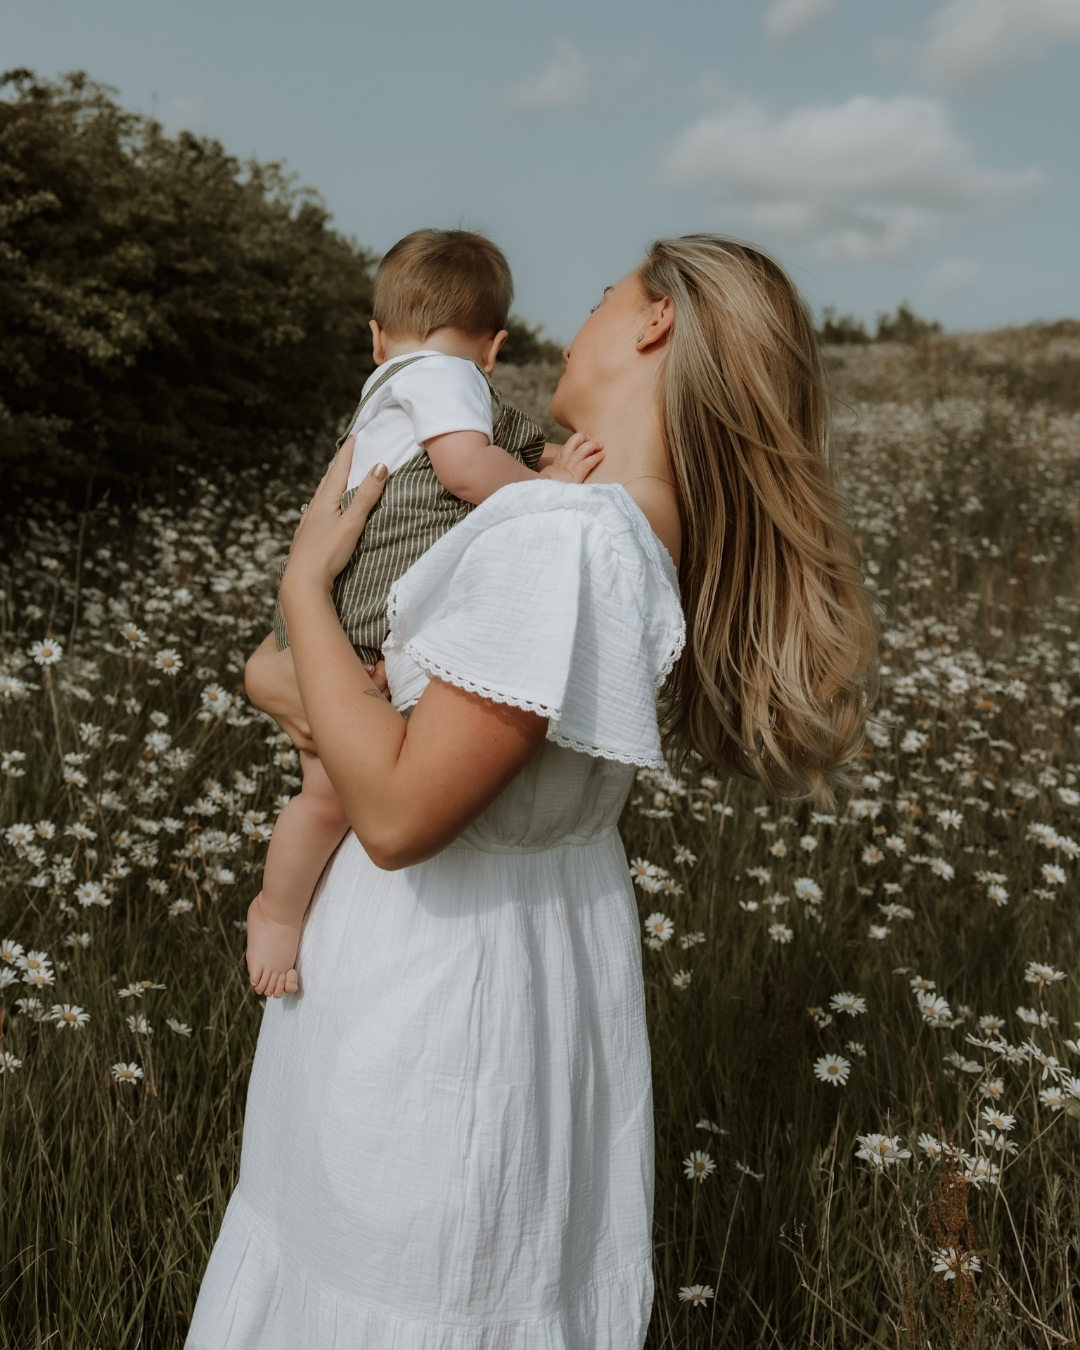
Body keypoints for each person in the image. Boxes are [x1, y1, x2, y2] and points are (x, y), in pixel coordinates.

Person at [186, 235, 875, 1349]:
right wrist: (286, 678)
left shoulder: (567, 537)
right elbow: (313, 693)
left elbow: (397, 814)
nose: (579, 317)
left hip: (441, 985)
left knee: (404, 1295)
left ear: (653, 321)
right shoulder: (599, 519)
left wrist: (303, 588)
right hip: (522, 957)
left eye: (604, 296)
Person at [247, 229, 604, 999]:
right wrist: (557, 494)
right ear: (493, 348)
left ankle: (281, 910)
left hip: (339, 600)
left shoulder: (401, 388)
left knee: (328, 792)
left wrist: (549, 460)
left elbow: (507, 446)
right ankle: (274, 911)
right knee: (332, 792)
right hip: (358, 611)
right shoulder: (448, 376)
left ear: (377, 337)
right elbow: (468, 470)